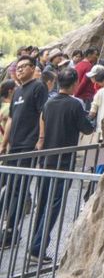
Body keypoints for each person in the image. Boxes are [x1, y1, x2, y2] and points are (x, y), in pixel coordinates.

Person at [28, 68, 95, 266]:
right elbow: (87, 128)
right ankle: (38, 249)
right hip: (63, 162)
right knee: (53, 206)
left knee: (42, 204)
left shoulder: (49, 103)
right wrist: (91, 118)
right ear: (74, 84)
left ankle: (35, 246)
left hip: (46, 160)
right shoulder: (75, 105)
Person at [0, 57, 48, 245]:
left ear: (32, 68)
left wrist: (40, 139)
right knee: (11, 186)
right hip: (14, 147)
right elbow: (11, 119)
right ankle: (7, 227)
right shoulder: (18, 91)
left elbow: (42, 113)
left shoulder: (38, 88)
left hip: (28, 145)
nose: (19, 70)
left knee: (19, 188)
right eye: (17, 68)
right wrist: (4, 144)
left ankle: (11, 229)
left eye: (23, 67)